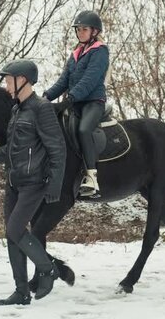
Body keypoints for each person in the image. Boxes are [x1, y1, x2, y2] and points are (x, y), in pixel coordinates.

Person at [0, 59, 66, 306]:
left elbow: (57, 149)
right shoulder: (16, 110)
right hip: (14, 182)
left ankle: (48, 268)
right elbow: (10, 149)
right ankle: (21, 291)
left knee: (14, 230)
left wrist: (54, 185)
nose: (6, 85)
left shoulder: (41, 109)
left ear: (23, 80)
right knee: (12, 236)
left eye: (9, 79)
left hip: (34, 183)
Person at [43, 10, 109, 198]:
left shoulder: (100, 51)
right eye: (78, 29)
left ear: (94, 31)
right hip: (75, 103)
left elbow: (90, 79)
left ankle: (92, 178)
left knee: (83, 130)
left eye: (84, 29)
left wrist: (70, 98)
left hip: (93, 102)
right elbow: (63, 80)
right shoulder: (75, 54)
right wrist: (45, 97)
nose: (80, 32)